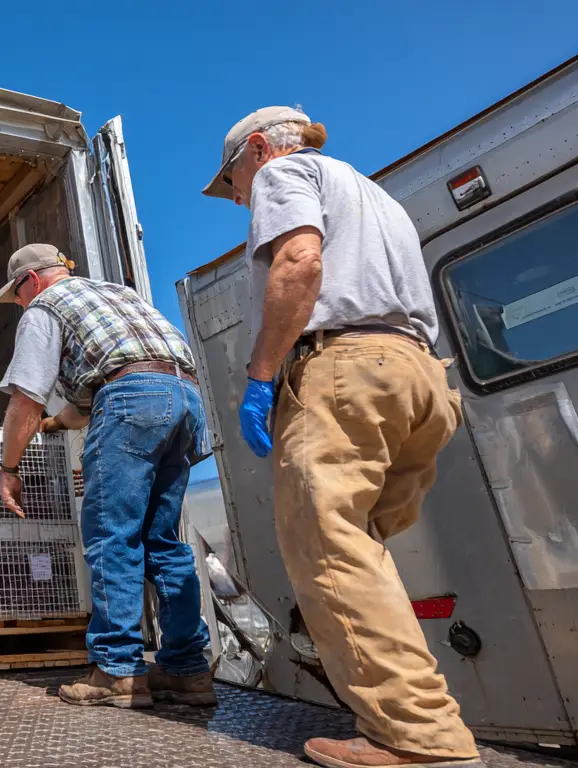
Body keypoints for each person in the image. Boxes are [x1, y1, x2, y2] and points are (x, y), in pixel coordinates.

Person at [204, 107, 479, 768]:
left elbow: (299, 260)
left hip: (344, 369)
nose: (238, 193)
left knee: (328, 552)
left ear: (260, 149)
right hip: (419, 376)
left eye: (233, 177)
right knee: (361, 552)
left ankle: (416, 736)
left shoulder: (285, 173)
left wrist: (262, 375)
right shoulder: (371, 192)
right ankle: (415, 716)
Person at [0, 243, 213, 709]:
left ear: (30, 281)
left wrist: (9, 468)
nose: (20, 305)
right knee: (164, 542)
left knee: (114, 537)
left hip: (132, 401)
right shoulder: (117, 295)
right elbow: (117, 382)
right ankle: (187, 669)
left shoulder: (44, 307)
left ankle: (116, 669)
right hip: (184, 398)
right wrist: (57, 424)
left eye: (17, 296)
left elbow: (26, 400)